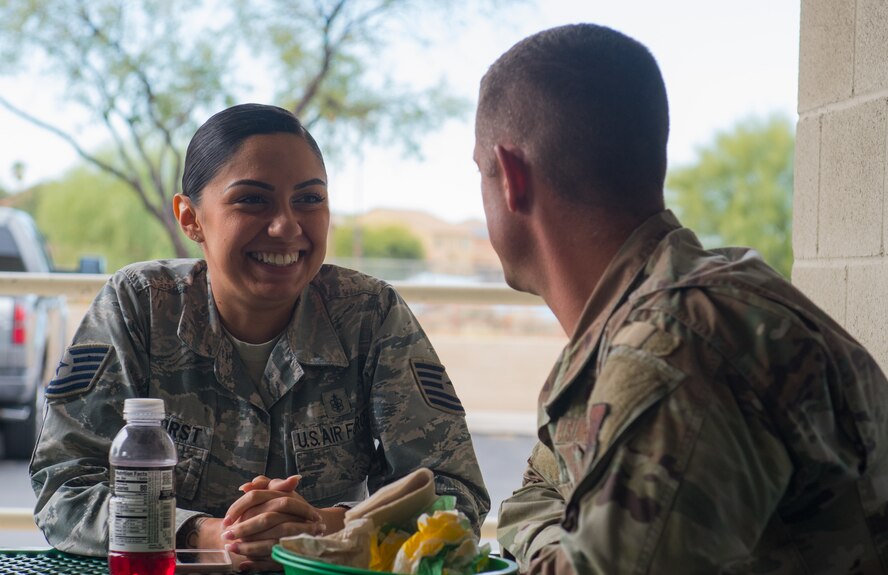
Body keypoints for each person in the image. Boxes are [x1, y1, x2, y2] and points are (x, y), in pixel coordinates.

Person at [476, 24, 888, 573]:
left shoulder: (675, 350)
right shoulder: (664, 314)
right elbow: (538, 491)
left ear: (511, 177)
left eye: (479, 172)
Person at [30, 103, 489, 572]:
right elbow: (63, 486)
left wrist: (323, 529)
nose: (286, 226)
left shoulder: (370, 315)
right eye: (252, 200)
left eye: (309, 199)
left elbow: (456, 498)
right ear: (190, 218)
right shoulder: (140, 307)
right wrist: (203, 535)